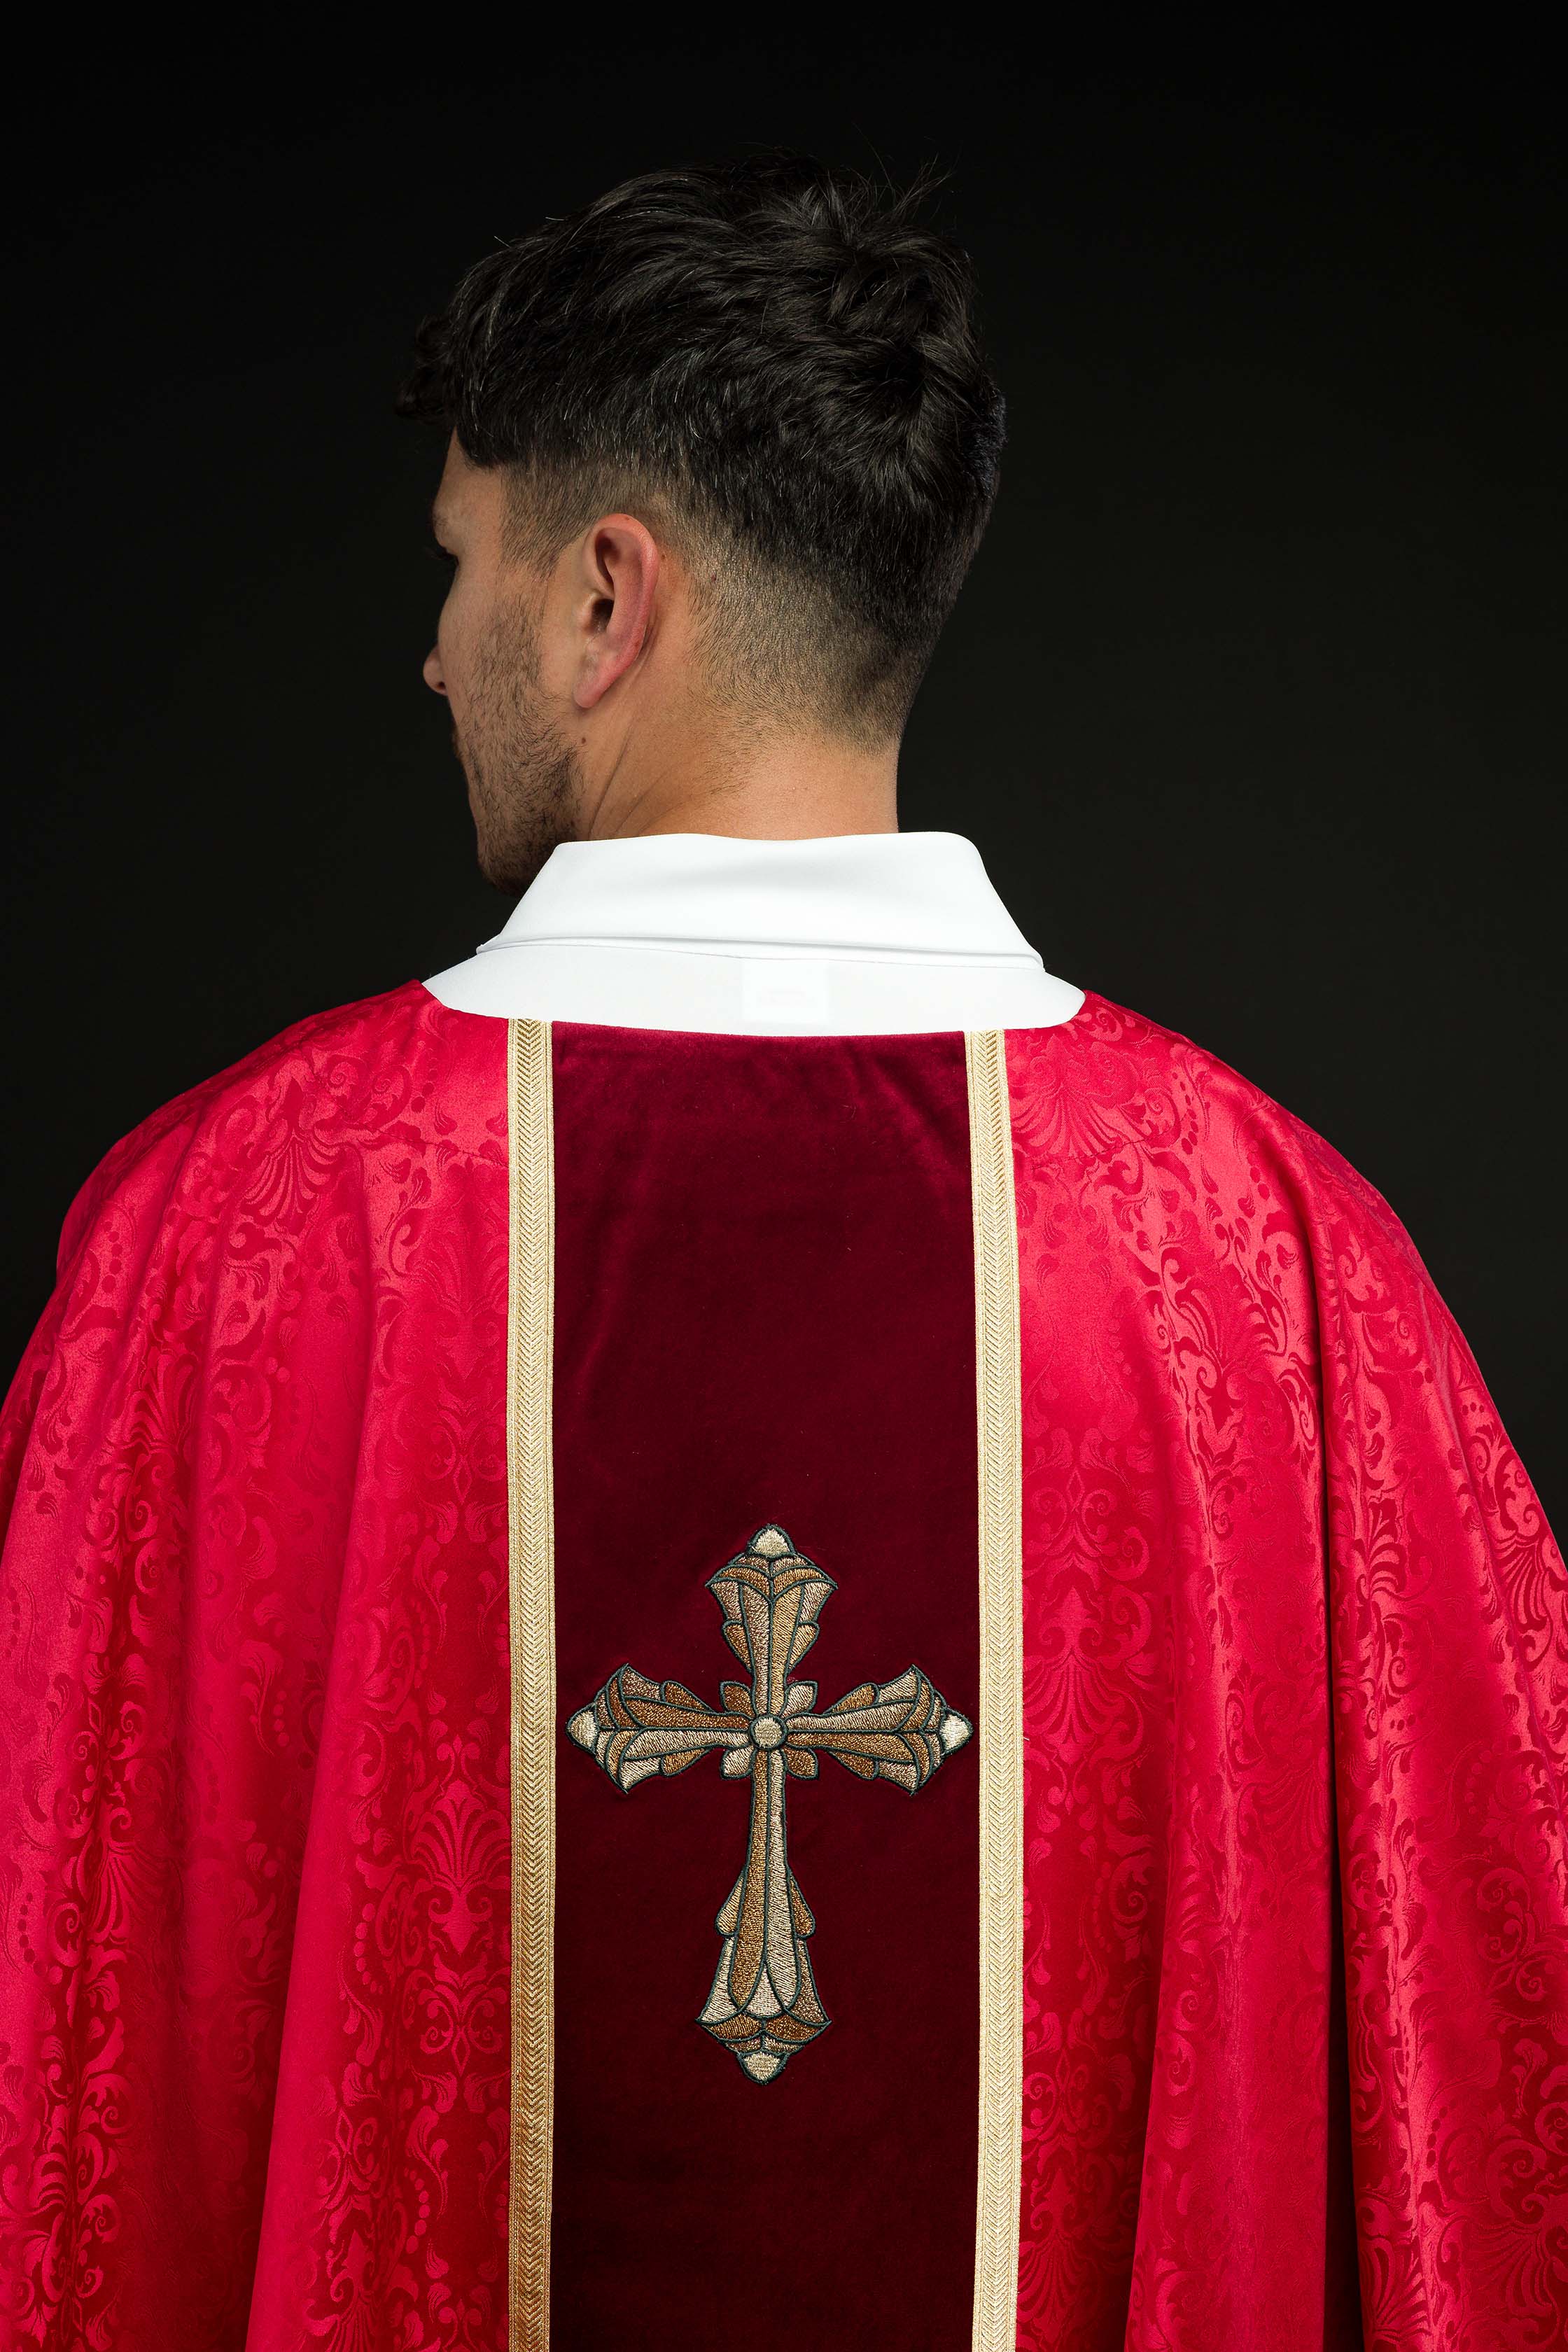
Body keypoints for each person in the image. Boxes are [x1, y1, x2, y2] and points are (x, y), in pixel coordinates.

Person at [0, 152, 1562, 2352]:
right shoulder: (1269, 1270)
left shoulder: (227, 1244)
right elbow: (1493, 2068)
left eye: (461, 571)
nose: (430, 649)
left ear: (602, 603)